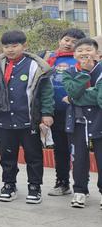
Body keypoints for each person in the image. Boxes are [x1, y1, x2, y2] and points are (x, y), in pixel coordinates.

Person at [0, 30, 54, 204]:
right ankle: (9, 185)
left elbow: (45, 91)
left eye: (15, 46)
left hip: (29, 119)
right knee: (7, 156)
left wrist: (47, 113)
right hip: (4, 119)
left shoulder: (34, 65)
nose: (10, 50)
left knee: (33, 156)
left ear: (24, 45)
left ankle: (34, 187)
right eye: (6, 46)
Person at [42, 28, 86, 196]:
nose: (69, 44)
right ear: (60, 40)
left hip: (77, 112)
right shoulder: (49, 59)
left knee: (79, 150)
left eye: (74, 42)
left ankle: (82, 186)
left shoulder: (81, 60)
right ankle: (62, 183)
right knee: (60, 149)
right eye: (66, 39)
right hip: (55, 113)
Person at [61, 38, 102, 209]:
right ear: (74, 55)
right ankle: (80, 190)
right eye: (80, 51)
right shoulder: (69, 72)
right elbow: (72, 90)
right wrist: (84, 74)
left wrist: (73, 99)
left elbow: (99, 98)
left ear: (97, 53)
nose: (84, 53)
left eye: (88, 50)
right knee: (78, 158)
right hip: (77, 122)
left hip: (99, 121)